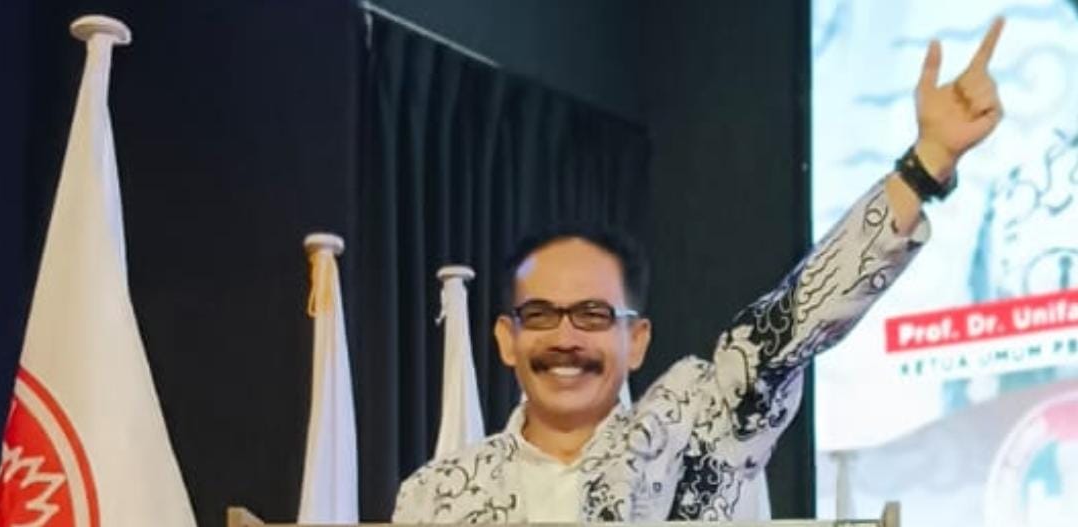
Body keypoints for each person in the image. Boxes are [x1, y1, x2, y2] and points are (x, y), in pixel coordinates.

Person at [393, 18, 1007, 523]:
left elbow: (790, 324)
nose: (566, 337)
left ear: (637, 340)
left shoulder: (693, 436)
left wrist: (925, 165)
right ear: (507, 338)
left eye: (593, 314)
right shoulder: (436, 497)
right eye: (540, 314)